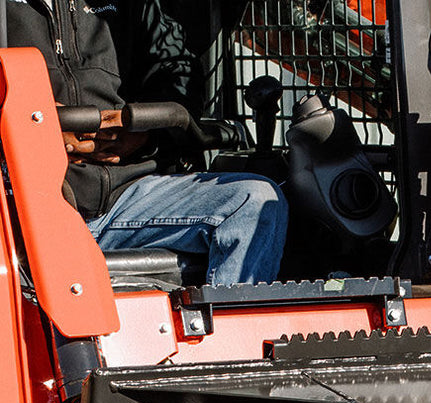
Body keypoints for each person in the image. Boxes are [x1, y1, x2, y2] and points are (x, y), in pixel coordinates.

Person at [5, 0, 289, 286]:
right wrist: (31, 123)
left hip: (126, 196)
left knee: (256, 200)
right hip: (23, 205)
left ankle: (227, 329)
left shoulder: (133, 6)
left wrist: (144, 132)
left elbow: (178, 74)